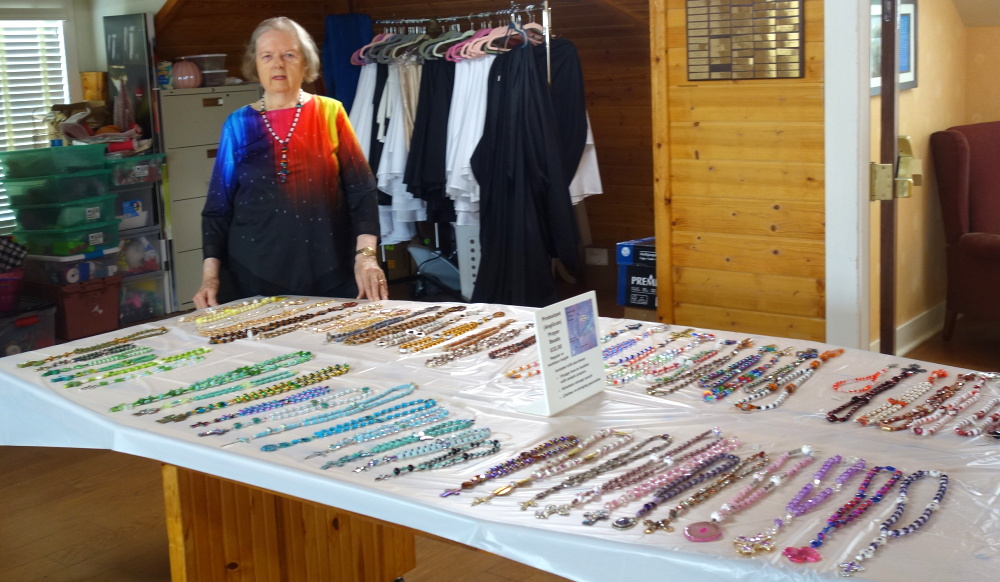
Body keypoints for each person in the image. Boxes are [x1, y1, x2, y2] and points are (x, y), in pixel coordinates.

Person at [194, 16, 387, 309]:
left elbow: (362, 191)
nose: (278, 64)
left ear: (306, 63)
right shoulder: (238, 124)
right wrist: (210, 277)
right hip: (252, 279)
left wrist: (367, 257)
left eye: (289, 55)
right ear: (255, 65)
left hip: (330, 274)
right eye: (267, 56)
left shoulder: (330, 113)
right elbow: (217, 209)